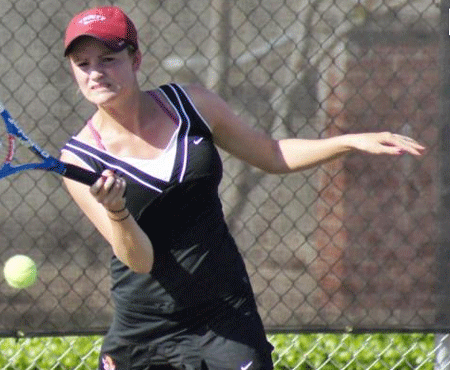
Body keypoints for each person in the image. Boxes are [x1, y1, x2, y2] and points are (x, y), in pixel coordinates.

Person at [59, 6, 425, 370]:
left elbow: (271, 153)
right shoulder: (79, 161)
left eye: (108, 58)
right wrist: (117, 211)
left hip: (225, 313)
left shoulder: (193, 105)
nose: (96, 73)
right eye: (83, 63)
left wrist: (349, 141)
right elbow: (140, 260)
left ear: (135, 59)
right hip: (145, 330)